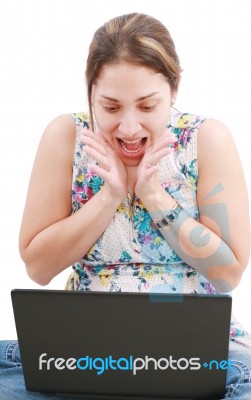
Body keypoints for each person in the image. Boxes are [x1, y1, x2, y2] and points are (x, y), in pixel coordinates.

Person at [0, 12, 250, 400]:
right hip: (83, 355)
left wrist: (154, 198)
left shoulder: (207, 139)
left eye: (148, 106)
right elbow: (38, 266)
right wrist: (109, 196)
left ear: (173, 90)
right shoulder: (66, 136)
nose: (130, 128)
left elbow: (227, 272)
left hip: (190, 357)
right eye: (111, 108)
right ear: (90, 97)